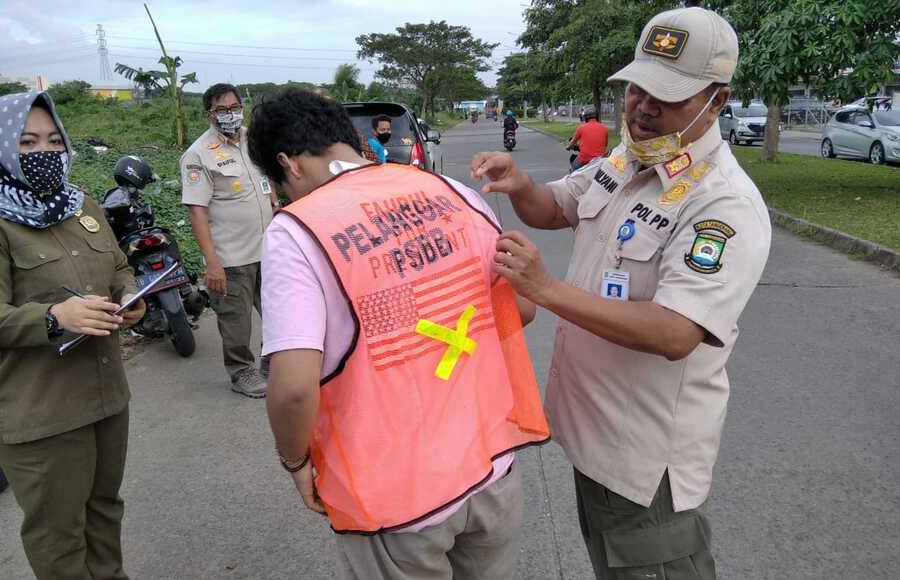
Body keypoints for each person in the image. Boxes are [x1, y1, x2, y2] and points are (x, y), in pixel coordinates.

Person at [471, 7, 772, 578]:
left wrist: (544, 288)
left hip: (642, 460)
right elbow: (555, 207)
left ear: (718, 100)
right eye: (637, 88)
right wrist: (521, 184)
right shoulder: (627, 157)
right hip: (591, 437)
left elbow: (676, 331)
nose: (644, 107)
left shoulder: (723, 203)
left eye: (669, 96)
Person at [248, 89, 550, 579]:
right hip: (490, 465)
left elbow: (294, 386)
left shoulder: (296, 231)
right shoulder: (453, 193)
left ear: (288, 164)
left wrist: (295, 461)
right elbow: (522, 310)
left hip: (396, 497)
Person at [0, 90, 146, 579]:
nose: (45, 152)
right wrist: (56, 316)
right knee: (58, 533)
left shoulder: (78, 201)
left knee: (105, 510)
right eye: (28, 141)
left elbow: (117, 264)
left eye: (54, 140)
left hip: (104, 396)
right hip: (40, 411)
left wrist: (130, 294)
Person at [181, 83, 278, 398]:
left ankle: (272, 363)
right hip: (232, 257)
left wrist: (275, 202)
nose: (230, 114)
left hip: (269, 249)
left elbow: (266, 178)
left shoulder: (253, 139)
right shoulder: (197, 154)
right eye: (222, 110)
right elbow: (197, 210)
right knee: (236, 322)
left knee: (280, 311)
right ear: (209, 114)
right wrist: (212, 262)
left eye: (235, 107)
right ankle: (241, 372)